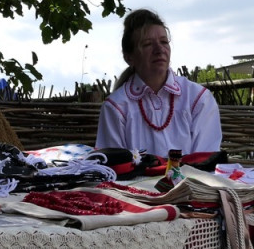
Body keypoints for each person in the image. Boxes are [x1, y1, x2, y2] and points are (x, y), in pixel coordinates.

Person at [95, 9, 222, 155]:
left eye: (164, 42)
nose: (159, 49)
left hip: (191, 178)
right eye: (148, 44)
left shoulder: (198, 99)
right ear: (129, 57)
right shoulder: (116, 107)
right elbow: (114, 167)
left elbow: (204, 162)